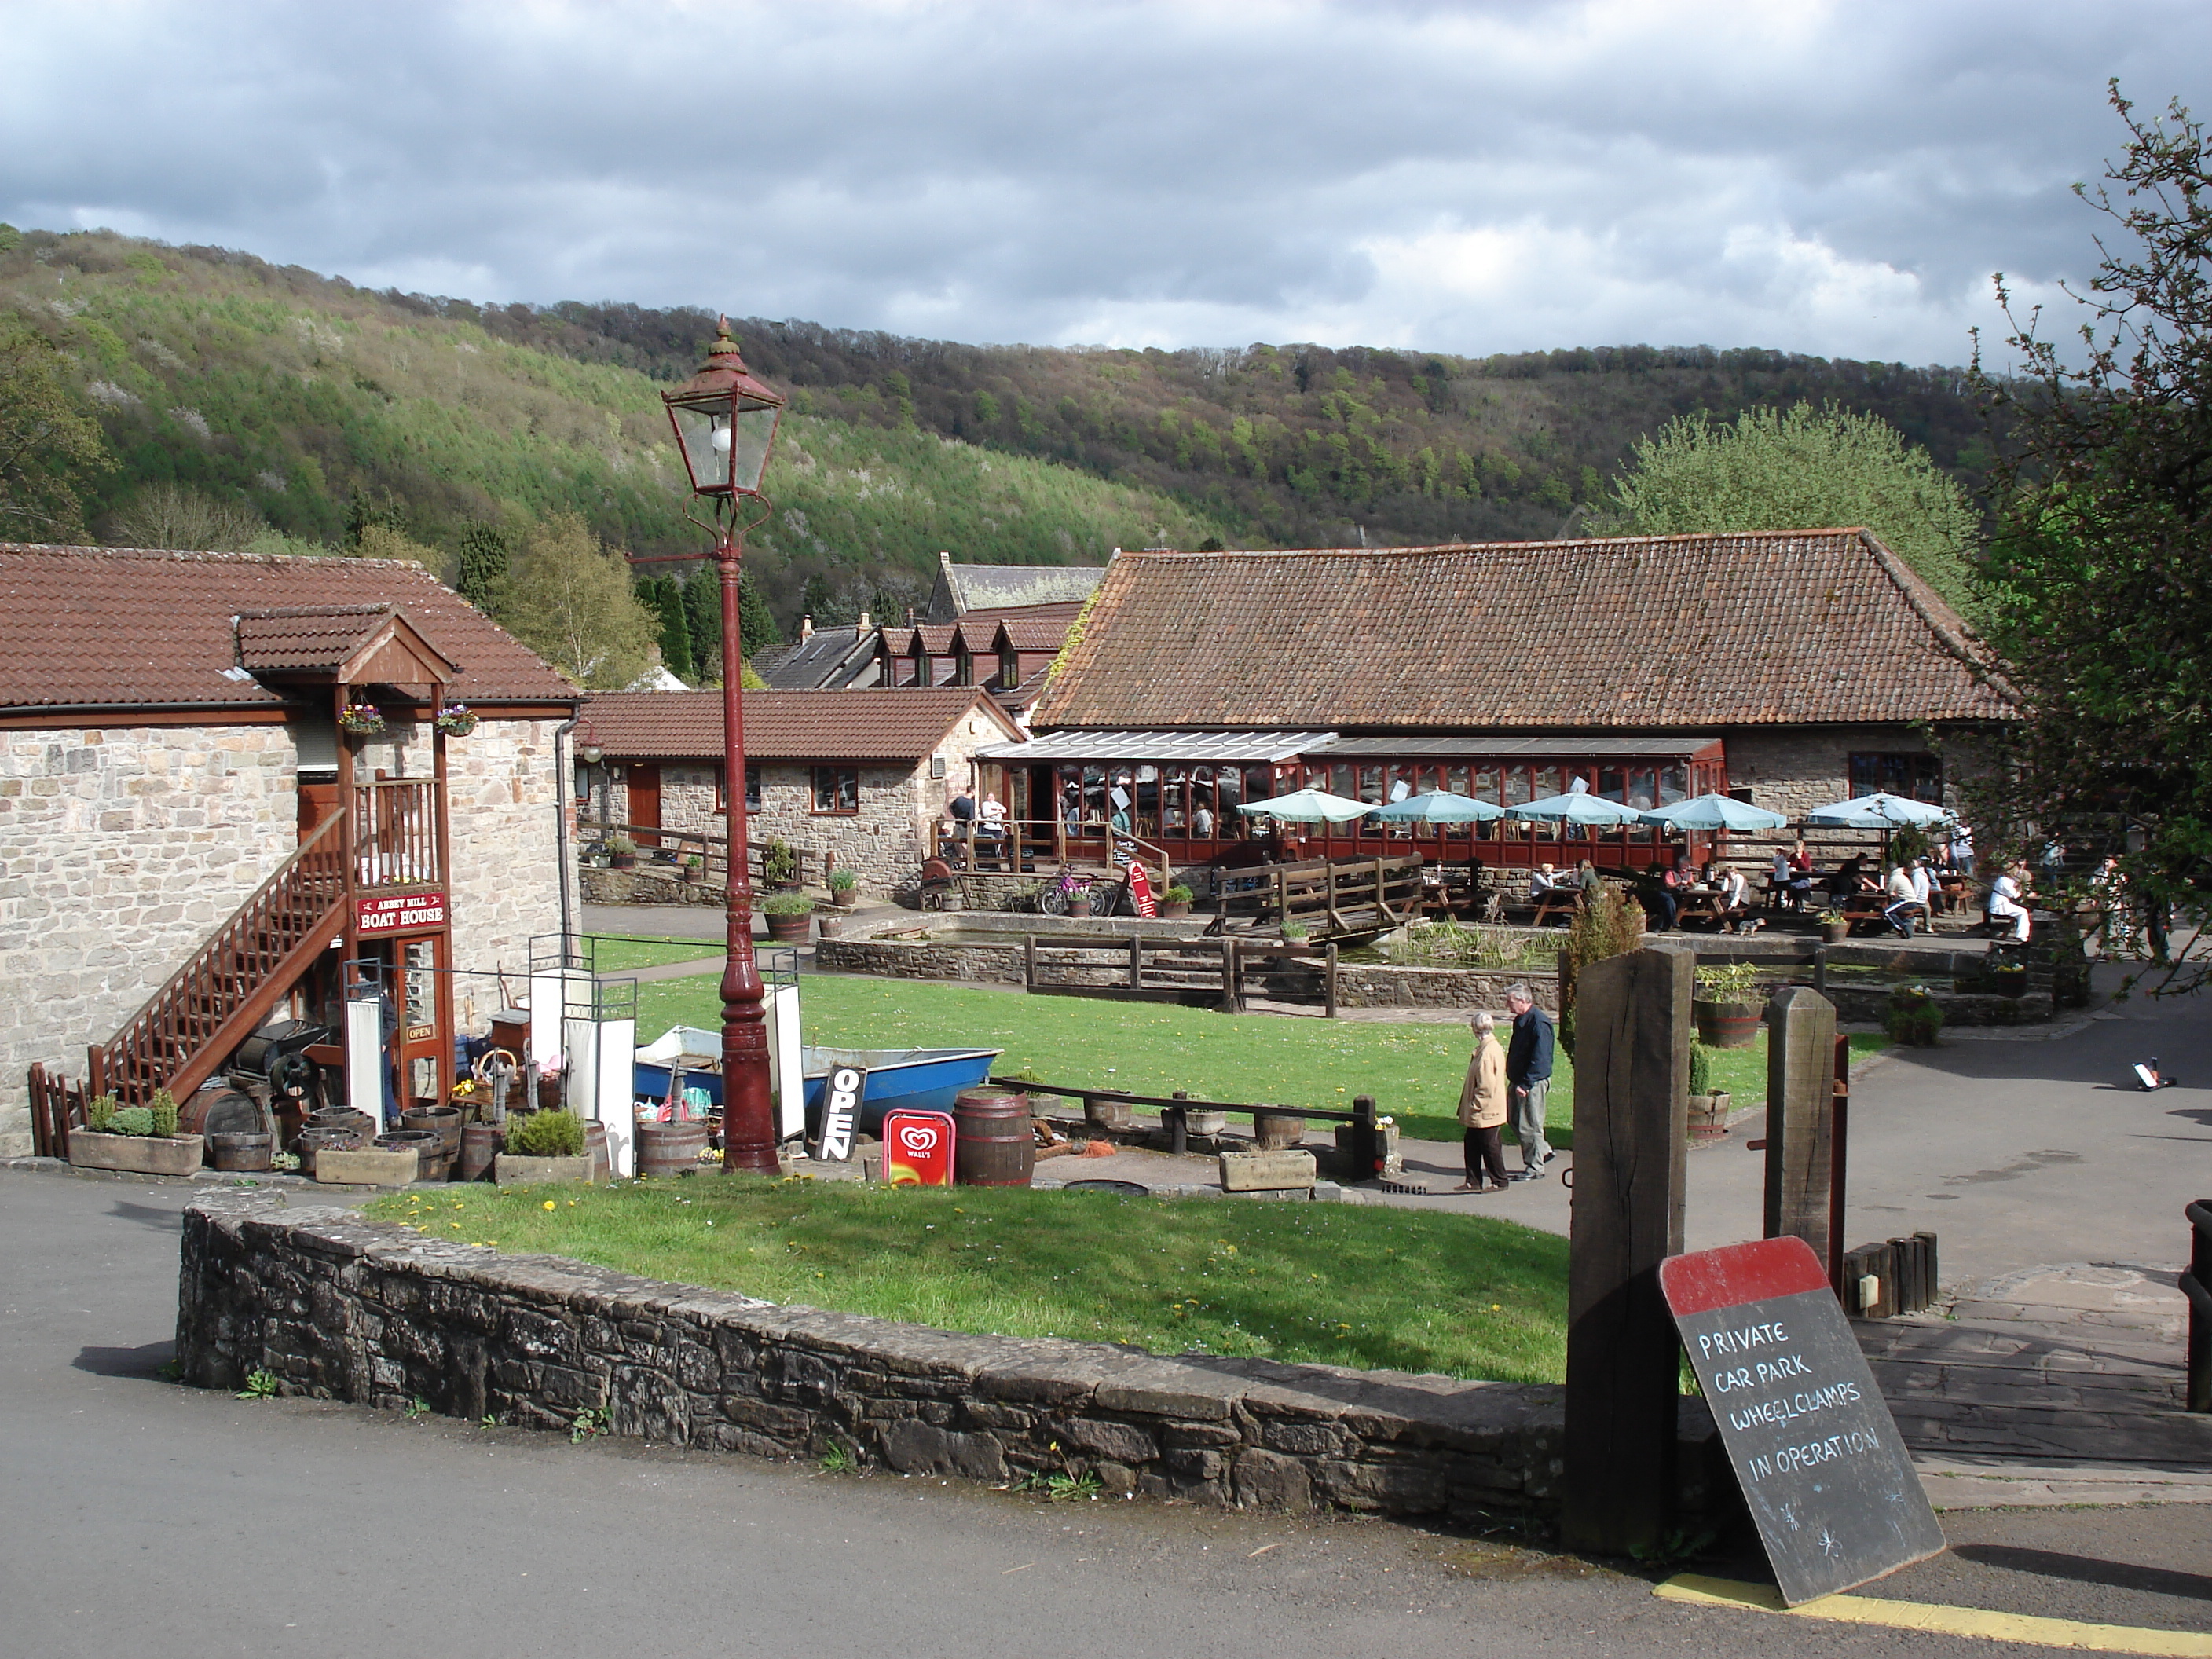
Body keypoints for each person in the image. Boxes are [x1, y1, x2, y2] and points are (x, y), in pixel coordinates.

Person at [1453, 1010, 1511, 1194]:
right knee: (1472, 1143)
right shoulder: (1489, 1048)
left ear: (1476, 1029)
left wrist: (1474, 1107)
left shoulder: (1487, 1053)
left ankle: (1500, 1180)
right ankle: (1473, 1181)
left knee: (1490, 1146)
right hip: (1485, 1109)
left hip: (1486, 1110)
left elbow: (1486, 1086)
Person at [1503, 983, 1556, 1181]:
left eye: (1511, 1001)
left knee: (1530, 1125)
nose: (1508, 1005)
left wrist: (1527, 1084)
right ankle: (1542, 1151)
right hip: (1519, 1080)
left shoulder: (1539, 1023)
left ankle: (1535, 1167)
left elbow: (1541, 1059)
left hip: (1531, 1083)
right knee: (1514, 1120)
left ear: (1523, 1001)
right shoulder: (1521, 1020)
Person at [1987, 860, 2033, 943]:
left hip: (2002, 903)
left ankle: (2021, 934)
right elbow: (2014, 895)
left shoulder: (2005, 879)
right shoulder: (2004, 881)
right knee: (2023, 912)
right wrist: (2024, 894)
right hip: (2000, 906)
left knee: (2021, 911)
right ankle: (2022, 936)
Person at [1884, 859, 1927, 938]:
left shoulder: (1894, 878)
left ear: (1889, 870)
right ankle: (1903, 927)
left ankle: (1902, 927)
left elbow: (1888, 891)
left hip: (1906, 901)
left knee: (1887, 912)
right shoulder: (1901, 875)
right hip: (1910, 900)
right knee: (1891, 910)